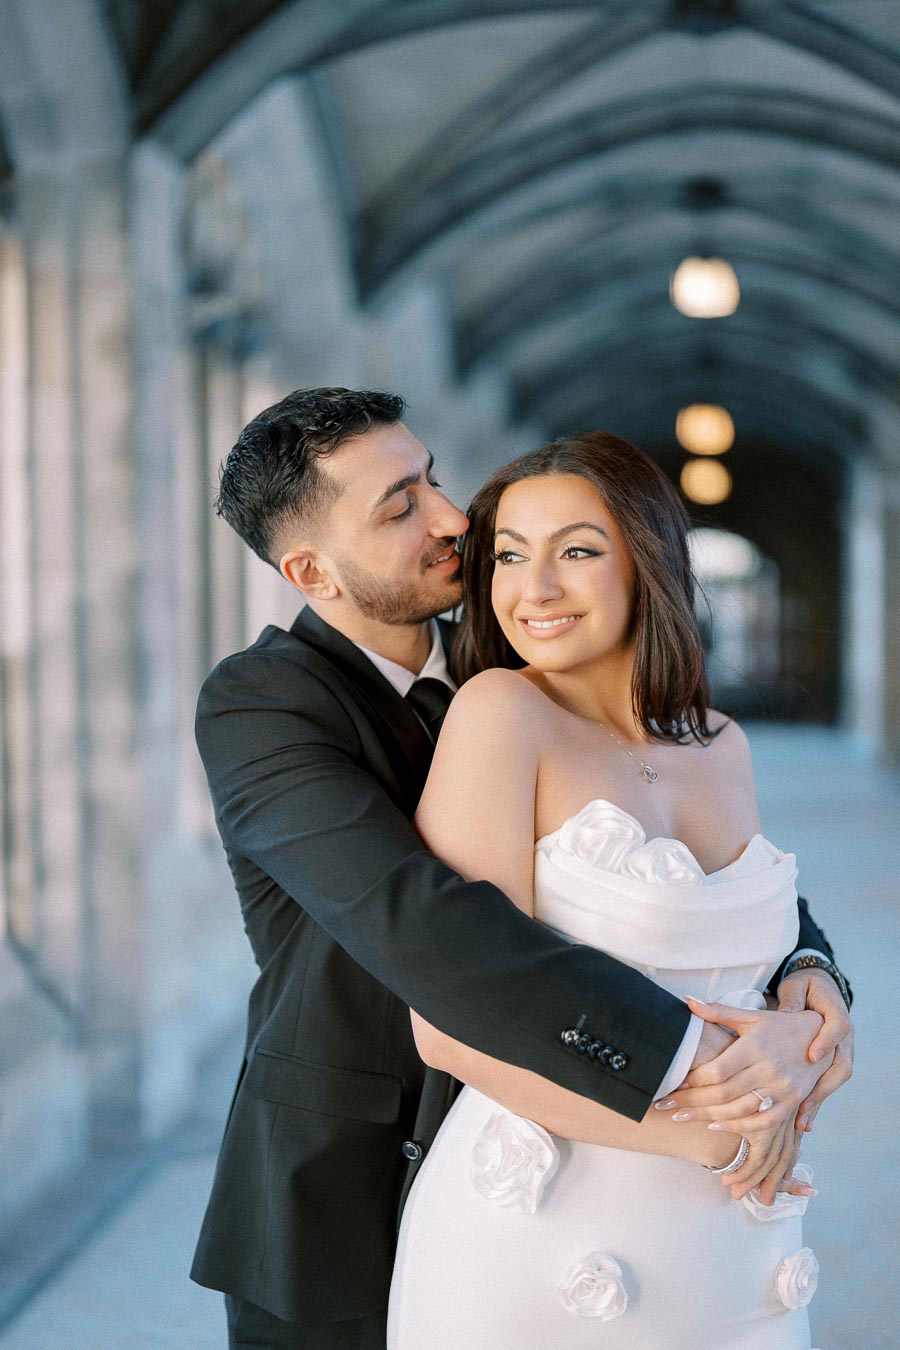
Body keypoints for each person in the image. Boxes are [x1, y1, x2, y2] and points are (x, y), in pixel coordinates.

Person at [190, 389, 853, 1349]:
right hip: (342, 1180)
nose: (454, 520)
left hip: (581, 1150)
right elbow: (424, 920)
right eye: (398, 506)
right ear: (309, 570)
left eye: (432, 481)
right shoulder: (260, 708)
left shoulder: (522, 651)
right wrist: (705, 1075)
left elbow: (705, 866)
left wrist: (808, 982)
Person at [387, 430, 850, 1348]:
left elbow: (754, 956)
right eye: (509, 556)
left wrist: (814, 1013)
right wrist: (707, 1141)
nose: (536, 589)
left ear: (649, 565)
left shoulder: (721, 742)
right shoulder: (500, 716)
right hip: (549, 1228)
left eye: (578, 552)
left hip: (736, 1237)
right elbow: (447, 1026)